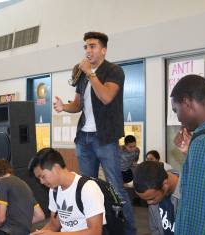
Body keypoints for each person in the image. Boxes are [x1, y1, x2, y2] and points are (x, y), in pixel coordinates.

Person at [53, 31, 135, 234]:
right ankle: (92, 229)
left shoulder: (114, 71)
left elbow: (106, 97)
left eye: (92, 46)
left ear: (103, 50)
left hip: (105, 137)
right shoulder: (82, 74)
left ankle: (129, 230)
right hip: (84, 138)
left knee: (116, 189)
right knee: (87, 189)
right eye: (86, 47)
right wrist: (65, 106)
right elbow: (78, 104)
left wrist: (91, 72)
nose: (88, 50)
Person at [170, 74, 205, 234]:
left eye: (176, 110)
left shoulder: (203, 143)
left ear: (187, 102)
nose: (178, 118)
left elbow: (202, 216)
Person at [29, 147, 105, 234]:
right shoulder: (54, 190)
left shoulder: (88, 188)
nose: (41, 182)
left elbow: (95, 232)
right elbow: (54, 224)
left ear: (56, 168)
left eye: (42, 176)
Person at [0, 160, 44, 235]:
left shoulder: (2, 182)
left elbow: (0, 218)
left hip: (7, 232)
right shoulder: (24, 184)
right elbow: (40, 215)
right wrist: (22, 224)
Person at [134, 161, 180, 235]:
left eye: (151, 198)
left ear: (165, 185)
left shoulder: (191, 196)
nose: (149, 203)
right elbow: (155, 229)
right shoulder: (154, 190)